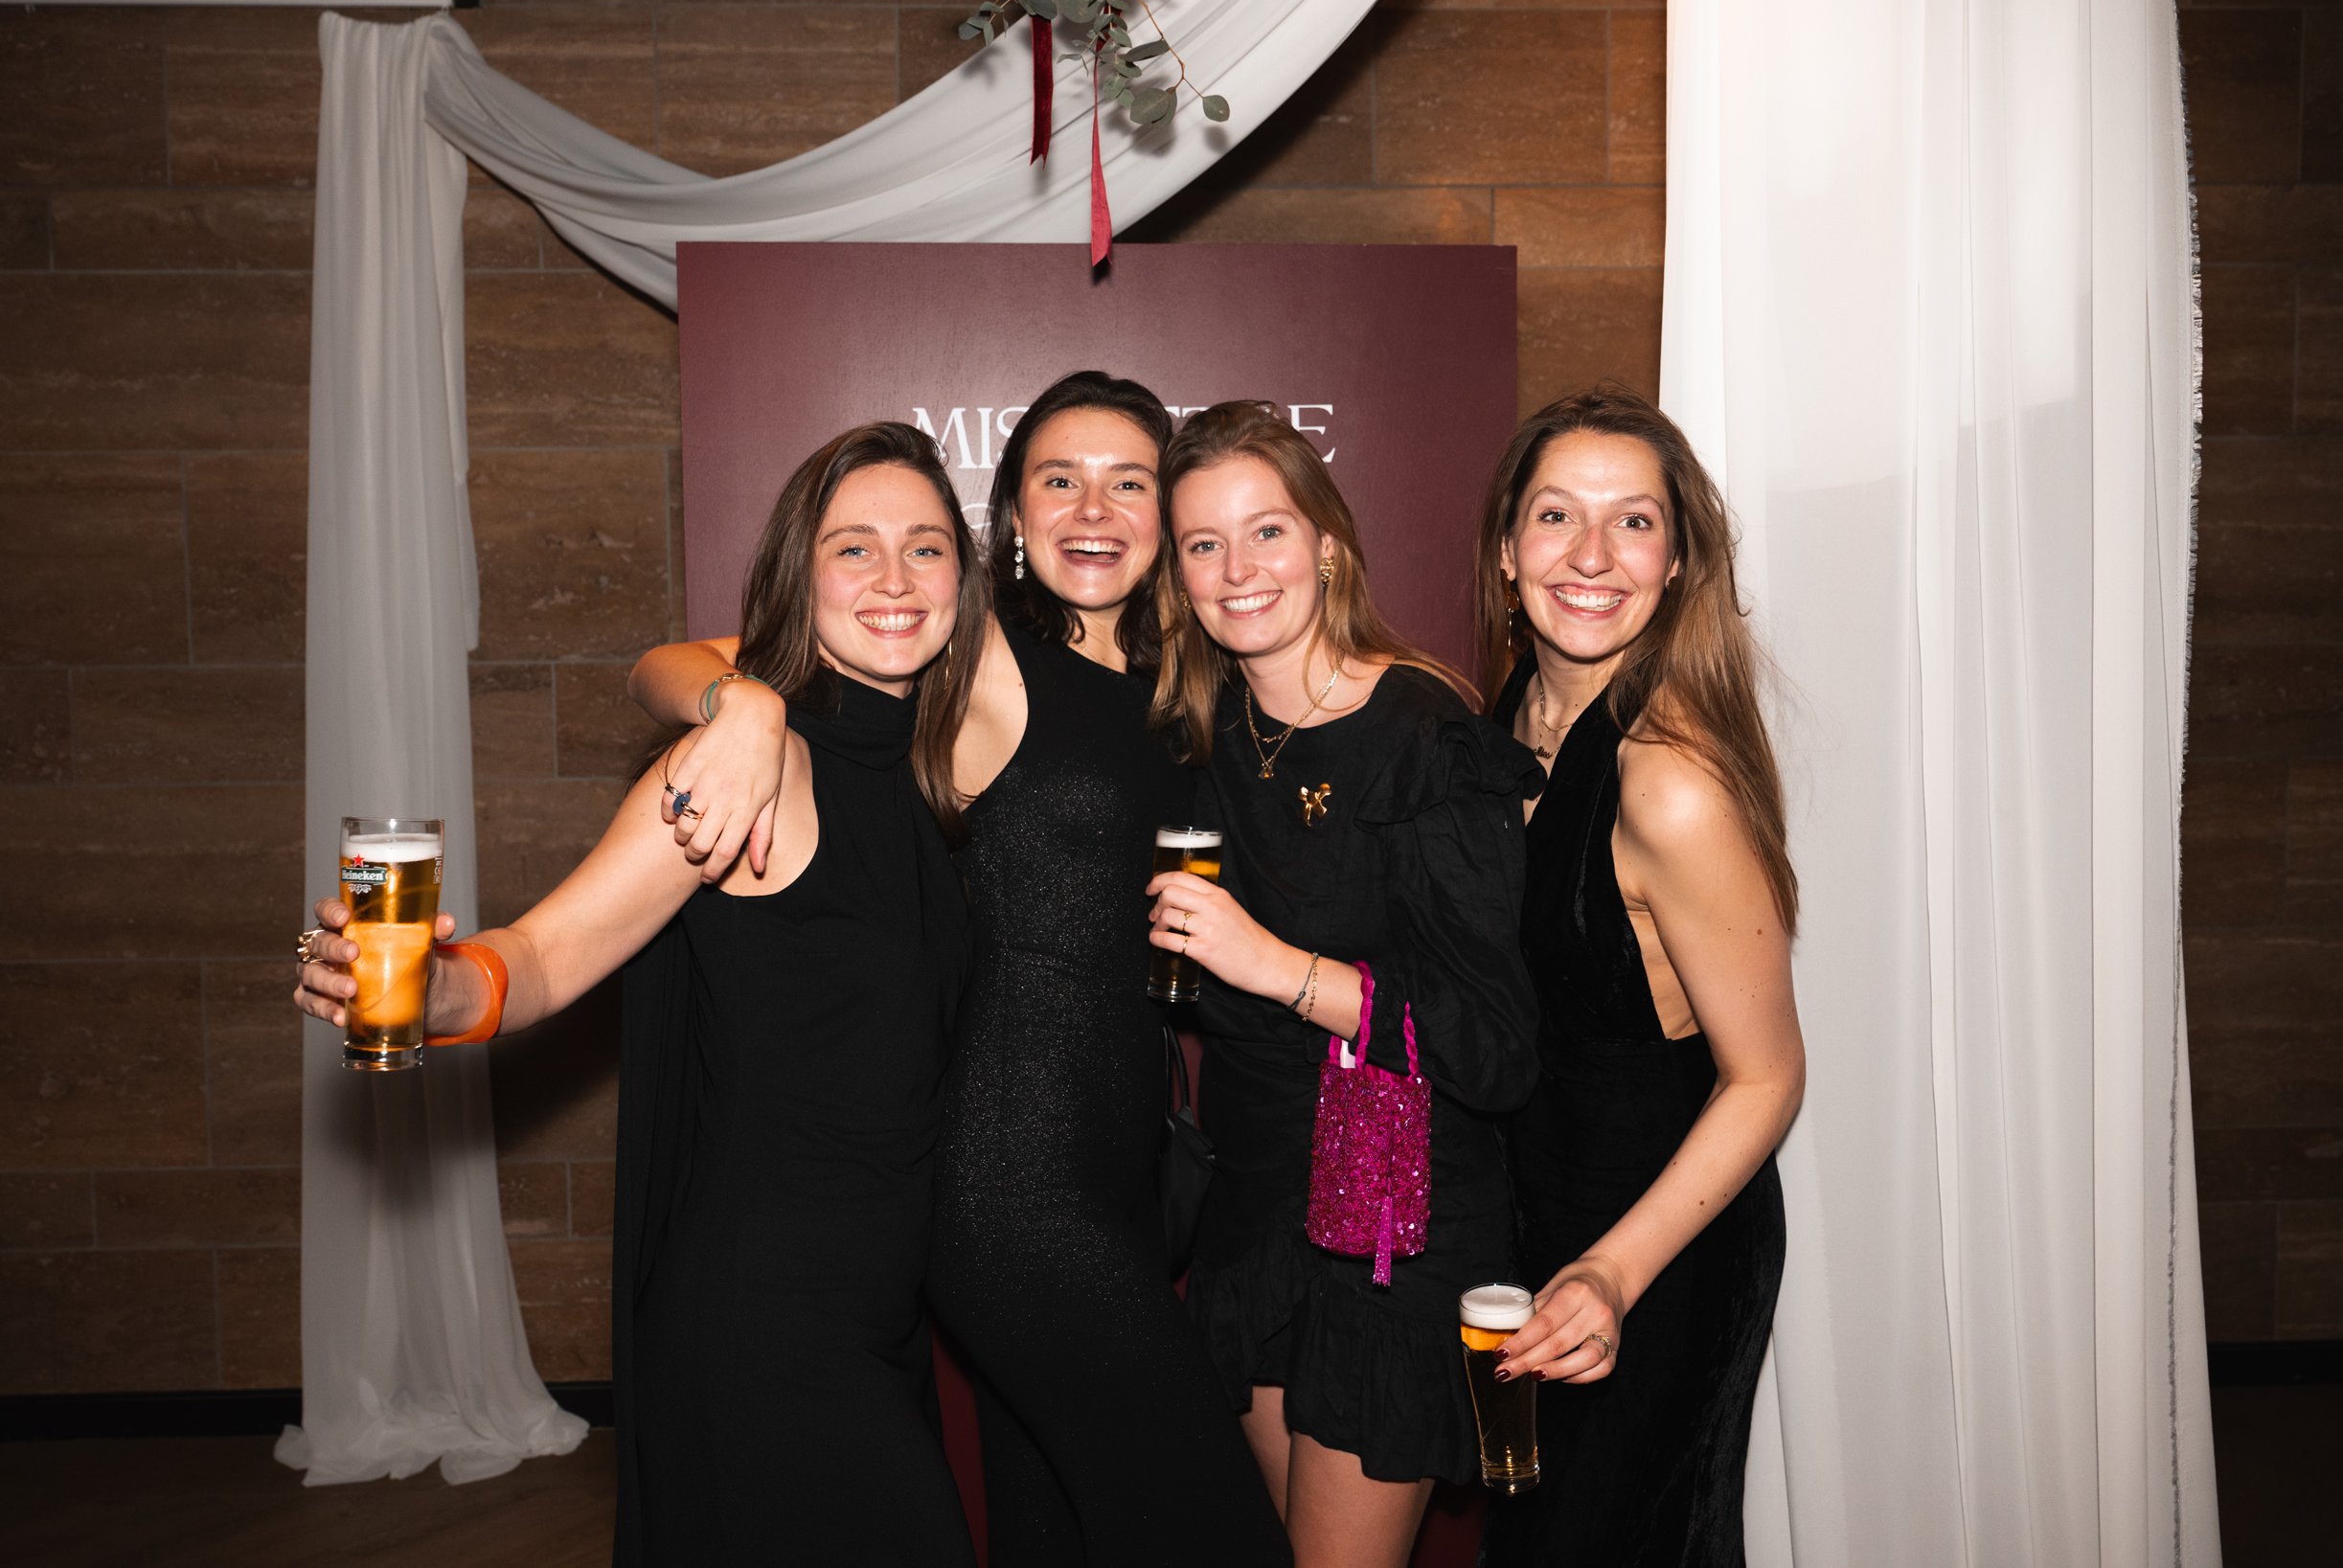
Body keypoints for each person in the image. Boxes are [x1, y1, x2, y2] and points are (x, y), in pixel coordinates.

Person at [295, 422, 987, 1567]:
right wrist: (434, 987)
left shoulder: (934, 757)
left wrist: (739, 694)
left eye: (926, 547)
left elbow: (674, 660)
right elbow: (553, 953)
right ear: (796, 572)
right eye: (852, 548)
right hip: (765, 1322)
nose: (896, 578)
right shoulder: (743, 767)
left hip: (879, 1315)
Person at [627, 373, 1288, 1568]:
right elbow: (665, 664)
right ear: (1013, 522)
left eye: (1128, 479)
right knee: (1214, 1529)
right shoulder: (978, 650)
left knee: (1055, 1528)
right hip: (1010, 1178)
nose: (1094, 506)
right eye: (1058, 478)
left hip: (1114, 1167)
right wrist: (740, 712)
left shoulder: (1179, 687)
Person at [1141, 401, 1541, 1568]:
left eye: (1266, 530)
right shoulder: (1201, 726)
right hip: (1258, 1209)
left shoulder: (1421, 731)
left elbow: (1495, 1043)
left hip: (1390, 1229)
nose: (1237, 569)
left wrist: (1276, 966)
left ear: (1327, 541)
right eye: (1202, 544)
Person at [1470, 387, 1804, 1567]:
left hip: (1657, 1252)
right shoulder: (1507, 721)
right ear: (1508, 551)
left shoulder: (1668, 782)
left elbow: (1765, 1077)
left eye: (1634, 522)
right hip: (1539, 1232)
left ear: (1675, 564)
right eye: (1557, 516)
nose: (1591, 556)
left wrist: (1614, 1270)